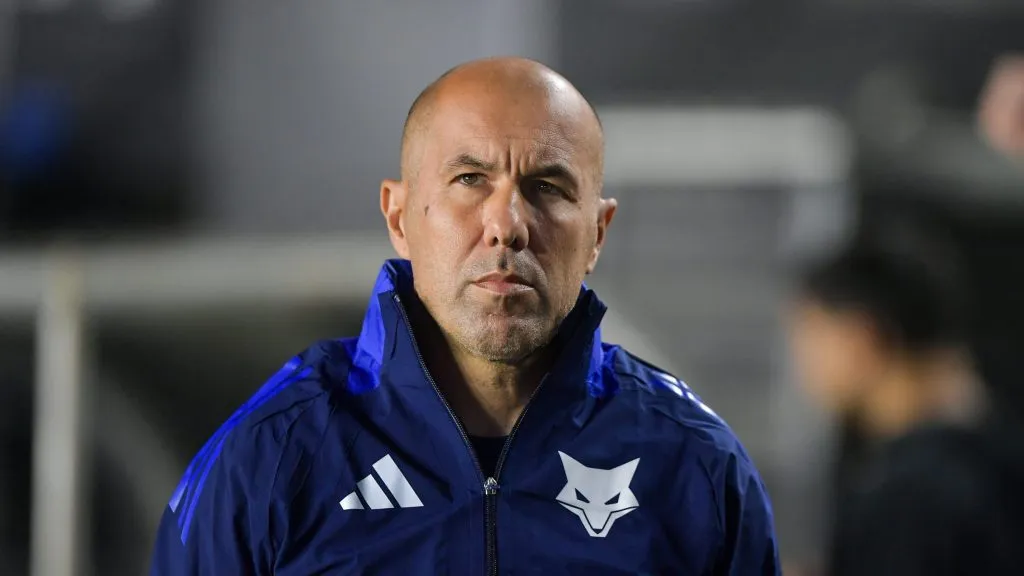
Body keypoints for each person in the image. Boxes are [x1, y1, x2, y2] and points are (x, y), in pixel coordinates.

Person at [150, 57, 780, 575]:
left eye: (547, 188)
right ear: (399, 217)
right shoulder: (272, 456)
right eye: (471, 178)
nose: (506, 226)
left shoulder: (694, 464)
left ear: (597, 233)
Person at [786, 224, 1024, 575]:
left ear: (860, 338)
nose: (803, 365)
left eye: (812, 336)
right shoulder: (994, 453)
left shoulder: (913, 495)